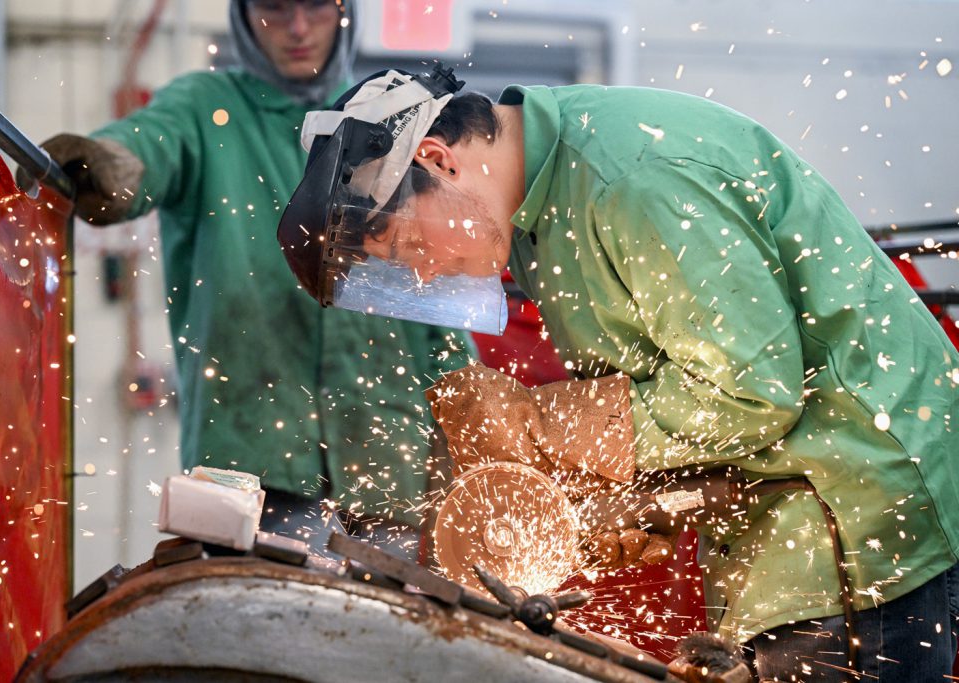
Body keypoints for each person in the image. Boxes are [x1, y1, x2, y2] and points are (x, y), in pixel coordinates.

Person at [277, 66, 959, 680]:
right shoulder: (542, 217)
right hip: (783, 515)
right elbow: (670, 387)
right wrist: (622, 497)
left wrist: (544, 426)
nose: (421, 272)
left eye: (407, 244)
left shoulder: (628, 178)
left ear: (438, 159)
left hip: (858, 512)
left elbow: (750, 394)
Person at [24, 2, 473, 559]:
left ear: (345, 12)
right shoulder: (204, 110)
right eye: (275, 8)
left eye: (315, 6)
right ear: (243, 15)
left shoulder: (395, 124)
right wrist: (106, 165)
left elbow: (436, 304)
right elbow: (146, 147)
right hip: (251, 477)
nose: (298, 29)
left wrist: (471, 428)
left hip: (388, 478)